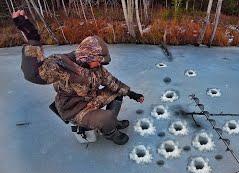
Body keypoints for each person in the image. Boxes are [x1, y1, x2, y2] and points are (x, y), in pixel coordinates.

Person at [12, 10, 144, 145]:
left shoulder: (96, 67)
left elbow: (112, 82)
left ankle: (112, 123)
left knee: (117, 92)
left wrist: (131, 93)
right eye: (98, 59)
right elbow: (33, 74)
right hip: (74, 110)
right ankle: (110, 132)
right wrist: (33, 39)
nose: (100, 63)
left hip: (91, 99)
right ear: (88, 56)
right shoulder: (62, 64)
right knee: (107, 117)